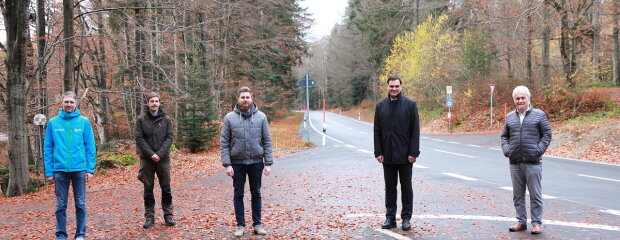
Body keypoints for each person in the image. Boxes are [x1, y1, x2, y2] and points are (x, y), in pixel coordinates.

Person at [221, 87, 273, 237]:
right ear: (238, 99)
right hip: (237, 163)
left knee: (256, 193)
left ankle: (257, 224)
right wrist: (227, 164)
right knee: (238, 194)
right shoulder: (229, 118)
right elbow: (224, 142)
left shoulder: (261, 117)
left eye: (247, 97)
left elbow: (267, 141)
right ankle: (240, 226)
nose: (245, 100)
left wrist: (268, 163)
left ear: (252, 99)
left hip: (257, 162)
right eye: (242, 97)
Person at [44, 91, 96, 240]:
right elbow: (47, 148)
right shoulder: (53, 123)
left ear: (76, 103)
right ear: (62, 103)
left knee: (80, 204)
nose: (69, 104)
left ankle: (80, 234)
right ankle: (61, 234)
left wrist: (90, 169)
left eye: (71, 102)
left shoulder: (84, 122)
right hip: (59, 170)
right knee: (60, 205)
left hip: (79, 169)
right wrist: (49, 172)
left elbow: (90, 147)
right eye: (66, 102)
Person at [501, 85, 552, 235]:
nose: (520, 100)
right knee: (518, 194)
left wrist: (538, 150)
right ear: (514, 100)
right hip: (515, 161)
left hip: (533, 162)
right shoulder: (510, 116)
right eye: (517, 98)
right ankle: (521, 222)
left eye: (523, 98)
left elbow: (547, 134)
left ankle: (536, 223)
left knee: (535, 194)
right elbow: (505, 136)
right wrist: (507, 150)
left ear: (528, 99)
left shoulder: (539, 114)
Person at [373, 75, 420, 231]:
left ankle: (406, 218)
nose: (394, 89)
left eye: (396, 86)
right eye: (391, 86)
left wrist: (414, 152)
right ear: (387, 87)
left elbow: (415, 131)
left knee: (406, 188)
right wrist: (378, 152)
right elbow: (377, 131)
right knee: (390, 188)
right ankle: (390, 218)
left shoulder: (410, 105)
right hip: (387, 156)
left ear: (401, 87)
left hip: (406, 156)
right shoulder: (380, 106)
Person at [136, 92, 176, 228]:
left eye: (156, 101)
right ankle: (149, 217)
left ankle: (168, 216)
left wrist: (159, 154)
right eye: (152, 101)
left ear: (159, 103)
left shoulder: (166, 119)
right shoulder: (141, 119)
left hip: (163, 159)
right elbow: (139, 138)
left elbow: (170, 137)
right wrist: (151, 154)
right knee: (148, 188)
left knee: (166, 188)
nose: (154, 103)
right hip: (147, 160)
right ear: (148, 103)